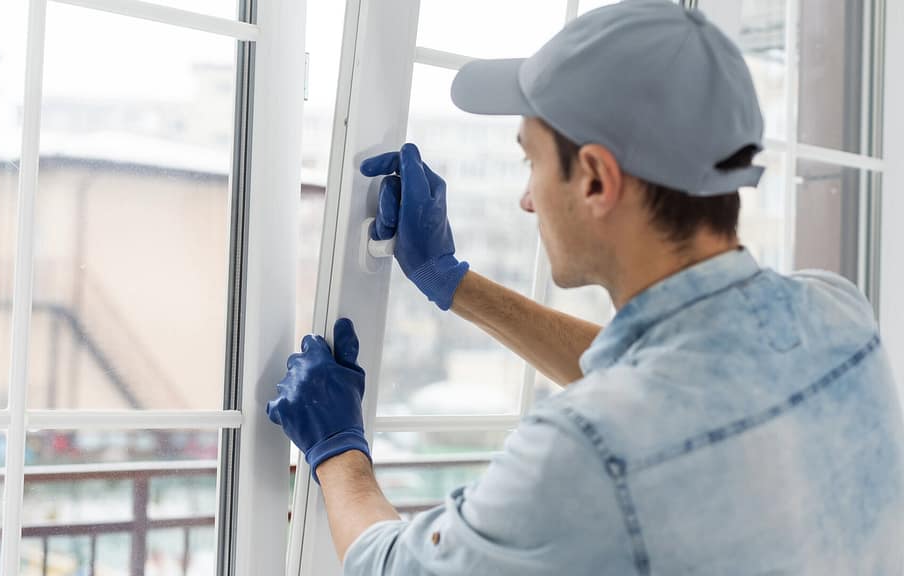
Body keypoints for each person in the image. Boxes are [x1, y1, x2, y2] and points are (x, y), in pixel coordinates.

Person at [266, 0, 904, 573]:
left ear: (597, 179)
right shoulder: (837, 314)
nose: (525, 198)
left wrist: (336, 450)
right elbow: (663, 372)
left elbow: (395, 569)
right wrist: (452, 283)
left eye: (530, 161)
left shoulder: (582, 452)